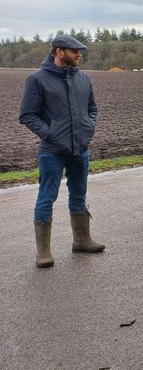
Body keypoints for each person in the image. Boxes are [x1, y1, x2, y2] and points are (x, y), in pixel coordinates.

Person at [19, 34, 105, 268]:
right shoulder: (37, 79)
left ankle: (82, 240)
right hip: (52, 151)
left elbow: (92, 108)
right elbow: (27, 115)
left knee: (79, 194)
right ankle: (44, 252)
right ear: (59, 51)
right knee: (46, 198)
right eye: (74, 51)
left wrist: (88, 128)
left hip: (80, 148)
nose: (79, 55)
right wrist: (50, 134)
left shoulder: (83, 78)